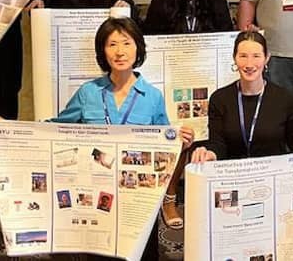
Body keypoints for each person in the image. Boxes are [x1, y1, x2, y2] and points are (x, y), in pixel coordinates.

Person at [50, 17, 194, 261]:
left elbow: (166, 146)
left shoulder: (152, 96)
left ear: (137, 47)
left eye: (126, 43)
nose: (119, 52)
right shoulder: (89, 92)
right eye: (111, 44)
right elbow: (55, 129)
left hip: (138, 198)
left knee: (141, 255)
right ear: (102, 52)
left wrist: (182, 139)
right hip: (97, 196)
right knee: (100, 255)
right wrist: (6, 129)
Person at [142, 0, 233, 229]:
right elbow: (150, 44)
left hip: (207, 79)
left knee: (209, 136)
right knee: (179, 139)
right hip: (173, 81)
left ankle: (204, 199)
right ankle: (169, 200)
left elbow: (227, 36)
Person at [191, 31, 293, 163]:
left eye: (256, 56)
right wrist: (209, 154)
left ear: (266, 58)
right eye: (243, 56)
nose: (249, 64)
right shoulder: (219, 99)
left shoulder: (284, 98)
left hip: (272, 175)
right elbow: (217, 144)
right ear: (234, 58)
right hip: (233, 177)